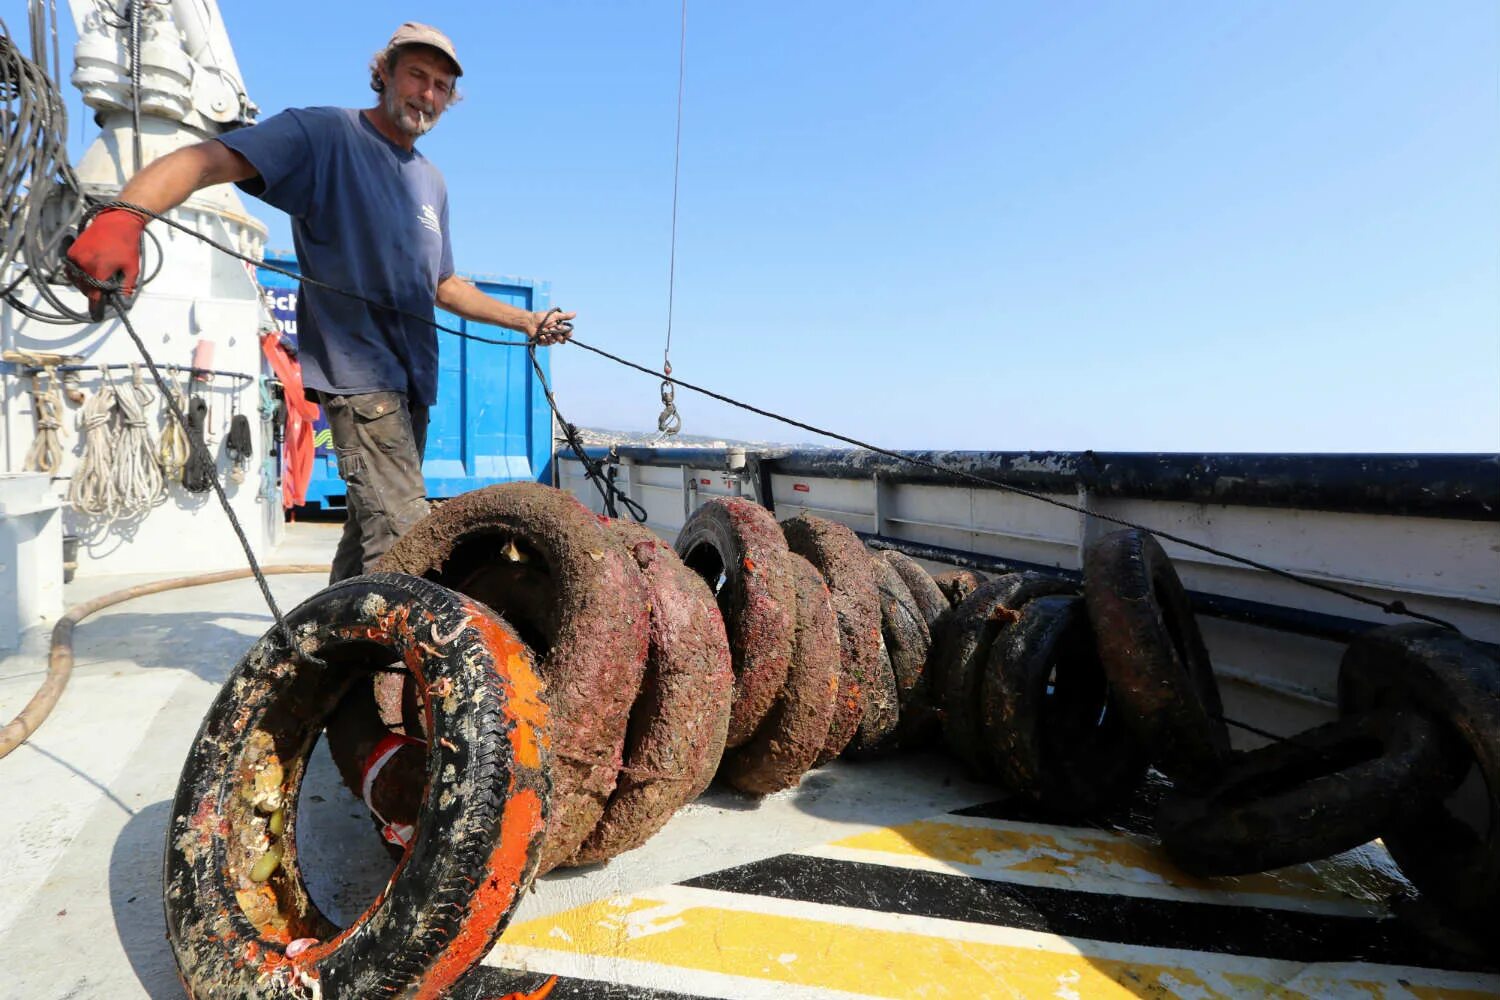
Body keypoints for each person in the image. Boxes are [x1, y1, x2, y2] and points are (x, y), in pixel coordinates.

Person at [65, 22, 574, 582]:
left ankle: (330, 658)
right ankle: (394, 668)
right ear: (383, 73)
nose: (427, 94)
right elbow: (206, 160)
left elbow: (443, 284)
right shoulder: (326, 134)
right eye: (417, 75)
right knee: (405, 546)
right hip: (359, 381)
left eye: (441, 86)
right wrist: (124, 215)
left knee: (366, 535)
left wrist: (527, 320)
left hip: (413, 385)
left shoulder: (432, 182)